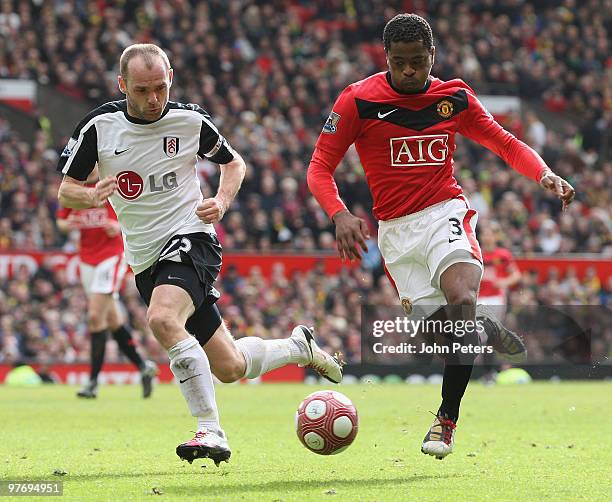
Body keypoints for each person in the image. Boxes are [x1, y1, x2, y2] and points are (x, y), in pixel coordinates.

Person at [57, 43, 342, 466]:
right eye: (141, 90)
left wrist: (222, 201)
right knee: (230, 366)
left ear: (170, 78)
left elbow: (235, 164)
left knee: (162, 319)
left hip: (192, 237)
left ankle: (210, 429)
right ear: (123, 85)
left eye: (160, 87)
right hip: (145, 258)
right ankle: (299, 347)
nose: (153, 99)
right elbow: (66, 190)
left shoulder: (190, 120)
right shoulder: (99, 127)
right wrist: (91, 195)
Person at [307, 14, 575, 460]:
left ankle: (445, 420)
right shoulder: (358, 101)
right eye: (399, 63)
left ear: (433, 56)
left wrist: (544, 174)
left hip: (445, 214)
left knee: (462, 299)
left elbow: (506, 143)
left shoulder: (454, 97)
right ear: (386, 58)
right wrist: (338, 214)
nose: (409, 71)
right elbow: (319, 167)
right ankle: (483, 329)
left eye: (418, 62)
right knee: (443, 336)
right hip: (395, 232)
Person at [56, 169, 157, 399]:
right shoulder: (77, 190)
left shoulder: (113, 185)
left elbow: (140, 216)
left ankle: (92, 382)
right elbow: (61, 221)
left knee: (94, 317)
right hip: (86, 259)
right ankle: (144, 367)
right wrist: (70, 224)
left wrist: (120, 228)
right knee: (111, 320)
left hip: (111, 257)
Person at [478, 220, 522, 382]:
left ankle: (490, 373)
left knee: (489, 334)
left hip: (496, 298)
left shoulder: (502, 255)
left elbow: (516, 275)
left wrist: (503, 282)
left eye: (490, 234)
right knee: (482, 336)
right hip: (479, 299)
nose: (487, 237)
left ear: (495, 237)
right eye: (485, 234)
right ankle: (489, 372)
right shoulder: (476, 253)